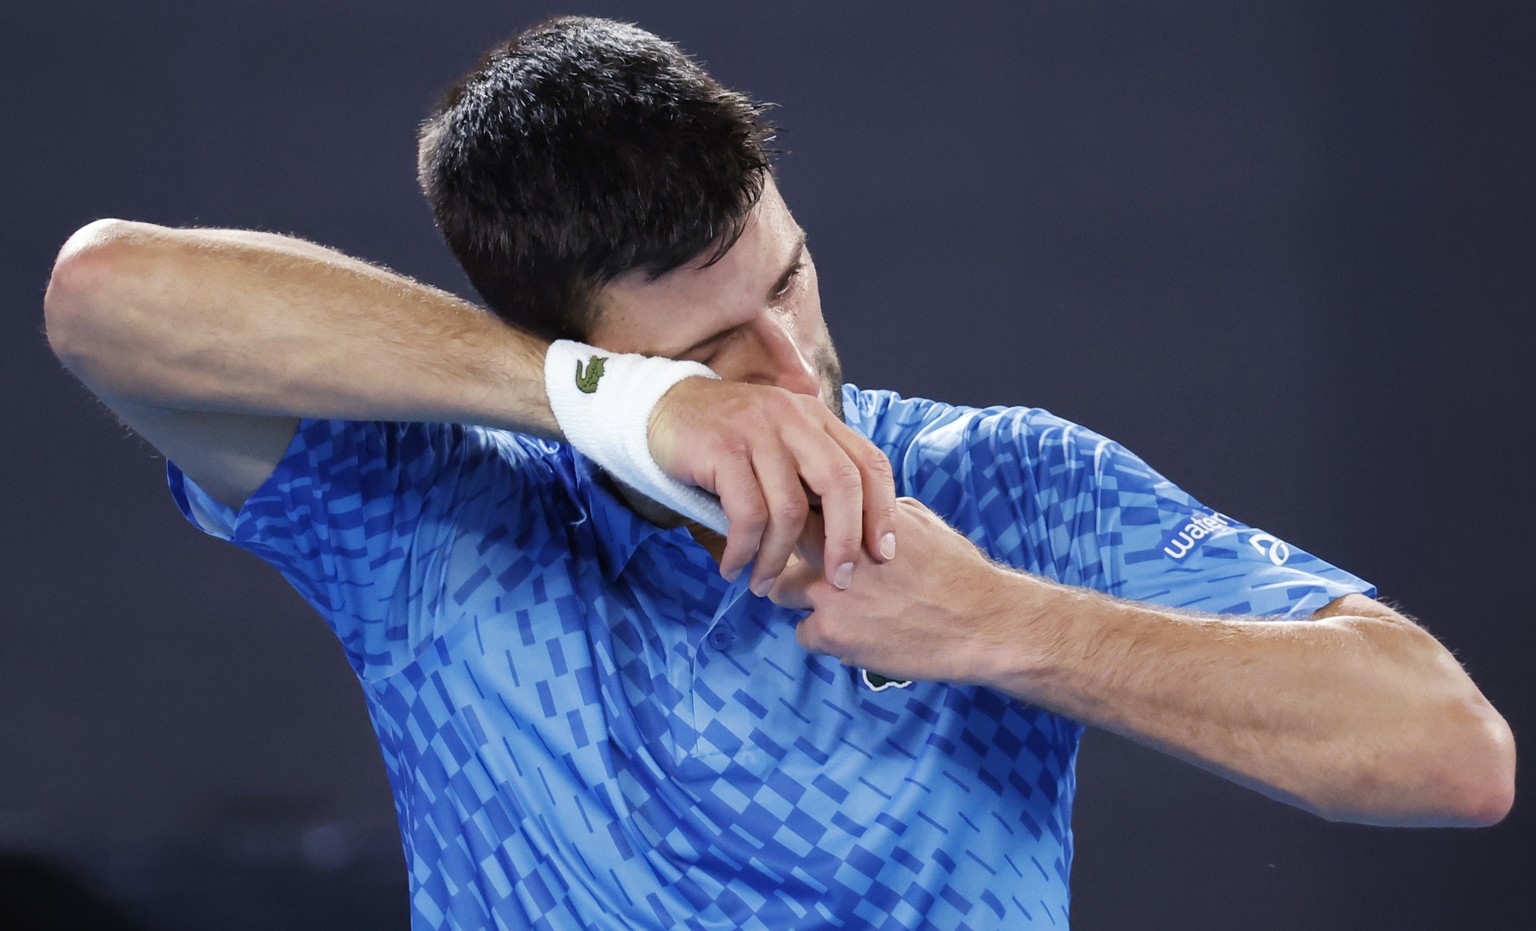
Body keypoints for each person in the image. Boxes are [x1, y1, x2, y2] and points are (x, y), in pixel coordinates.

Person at [44, 15, 1513, 931]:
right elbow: (102, 296)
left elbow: (1452, 756)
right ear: (582, 357)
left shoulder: (993, 484)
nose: (797, 368)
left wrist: (998, 623)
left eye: (791, 280)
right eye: (708, 352)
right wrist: (606, 407)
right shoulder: (437, 520)